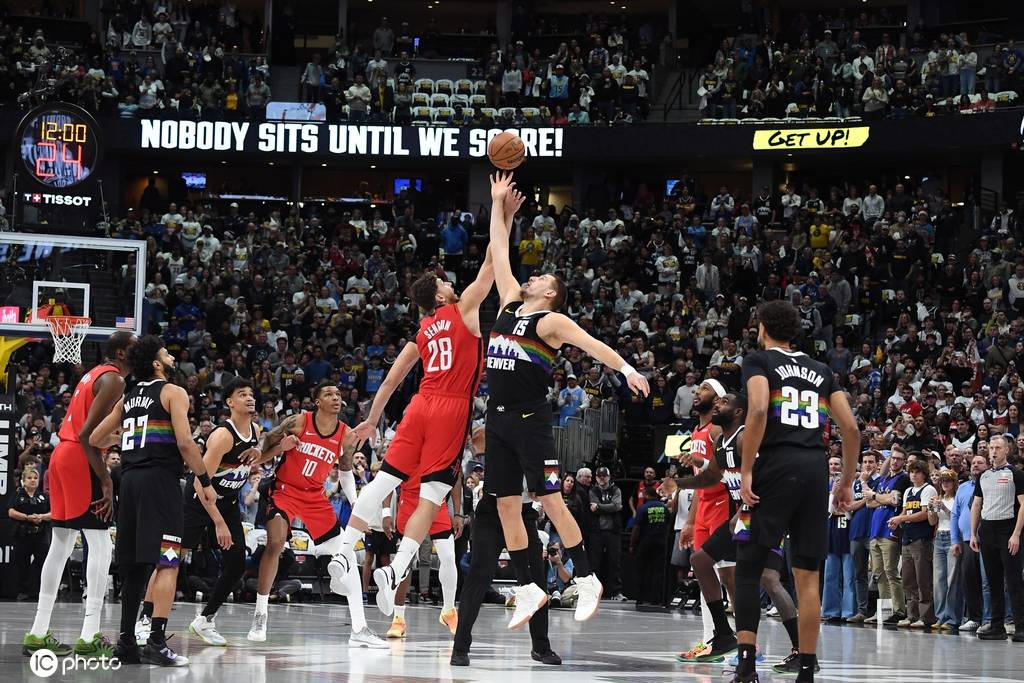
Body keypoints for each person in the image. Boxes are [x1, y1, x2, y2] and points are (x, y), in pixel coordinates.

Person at [333, 177, 524, 619]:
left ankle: (345, 550)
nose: (449, 282)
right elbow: (493, 263)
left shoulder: (421, 330)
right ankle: (398, 566)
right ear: (440, 295)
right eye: (443, 281)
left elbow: (389, 382)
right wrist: (503, 210)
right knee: (434, 493)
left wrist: (372, 420)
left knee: (384, 481)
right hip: (450, 407)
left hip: (418, 404)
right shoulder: (464, 308)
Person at [483, 172, 649, 629]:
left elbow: (595, 346)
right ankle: (528, 586)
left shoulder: (551, 322)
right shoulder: (509, 303)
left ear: (551, 294)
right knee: (505, 505)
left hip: (530, 420)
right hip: (497, 420)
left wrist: (629, 370)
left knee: (551, 500)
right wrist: (498, 203)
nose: (532, 276)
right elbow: (499, 247)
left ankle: (588, 578)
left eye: (542, 277)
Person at [733, 300, 860, 683]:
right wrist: (845, 481)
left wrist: (747, 470)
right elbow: (851, 429)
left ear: (762, 328)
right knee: (807, 576)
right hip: (814, 469)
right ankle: (806, 669)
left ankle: (746, 667)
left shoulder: (758, 361)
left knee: (748, 568)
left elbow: (758, 411)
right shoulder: (822, 370)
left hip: (775, 465)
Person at [244, 381, 385, 648]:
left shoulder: (346, 434)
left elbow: (345, 471)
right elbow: (269, 438)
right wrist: (274, 447)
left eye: (338, 394)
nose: (336, 397)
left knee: (345, 554)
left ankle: (359, 628)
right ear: (317, 401)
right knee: (275, 543)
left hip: (315, 497)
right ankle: (260, 616)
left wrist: (355, 503)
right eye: (329, 394)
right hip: (284, 490)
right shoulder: (299, 421)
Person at [104, 335, 217, 666]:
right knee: (168, 560)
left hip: (130, 483)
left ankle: (126, 643)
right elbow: (185, 443)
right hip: (160, 483)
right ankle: (155, 642)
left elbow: (96, 436)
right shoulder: (172, 392)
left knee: (133, 565)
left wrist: (128, 439)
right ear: (156, 363)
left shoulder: (128, 396)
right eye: (166, 353)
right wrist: (204, 480)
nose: (171, 357)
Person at [22, 331, 135, 660]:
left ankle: (37, 632)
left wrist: (114, 437)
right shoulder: (114, 379)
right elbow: (88, 435)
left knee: (61, 543)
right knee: (100, 543)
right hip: (80, 458)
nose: (139, 350)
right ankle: (89, 635)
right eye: (134, 347)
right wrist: (106, 479)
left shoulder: (94, 374)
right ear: (120, 353)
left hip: (62, 455)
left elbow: (88, 430)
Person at [675, 393, 802, 670]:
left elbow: (767, 478)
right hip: (743, 518)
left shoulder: (745, 438)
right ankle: (723, 635)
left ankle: (801, 651)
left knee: (769, 579)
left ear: (738, 412)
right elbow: (713, 476)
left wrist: (743, 508)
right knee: (700, 561)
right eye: (717, 401)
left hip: (765, 515)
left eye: (724, 402)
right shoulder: (721, 442)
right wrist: (679, 483)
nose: (717, 405)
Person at [181, 377, 264, 646]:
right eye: (242, 394)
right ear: (230, 402)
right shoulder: (222, 436)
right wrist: (218, 523)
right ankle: (146, 618)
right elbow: (199, 481)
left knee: (237, 564)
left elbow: (249, 461)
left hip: (227, 502)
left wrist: (269, 450)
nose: (249, 398)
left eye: (251, 393)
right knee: (171, 560)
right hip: (199, 501)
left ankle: (205, 620)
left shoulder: (255, 430)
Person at [452, 488, 561, 667]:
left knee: (536, 581)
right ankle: (460, 646)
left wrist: (542, 490)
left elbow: (551, 485)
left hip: (523, 513)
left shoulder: (547, 468)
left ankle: (541, 646)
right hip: (492, 512)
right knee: (478, 577)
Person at [386, 473, 463, 638]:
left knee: (449, 556)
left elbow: (456, 477)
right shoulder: (406, 455)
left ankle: (449, 610)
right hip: (409, 504)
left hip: (437, 503)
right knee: (405, 562)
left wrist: (458, 513)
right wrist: (386, 512)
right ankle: (398, 618)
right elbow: (388, 476)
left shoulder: (445, 455)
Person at [679, 379, 727, 646]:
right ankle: (710, 638)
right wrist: (689, 521)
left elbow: (724, 468)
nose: (698, 392)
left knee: (726, 575)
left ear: (718, 399)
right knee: (704, 575)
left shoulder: (716, 429)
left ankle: (742, 640)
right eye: (697, 389)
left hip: (722, 502)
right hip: (704, 506)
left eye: (705, 389)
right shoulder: (696, 431)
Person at [970, 433, 1024, 641]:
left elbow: (1023, 505)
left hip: (1008, 529)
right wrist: (973, 533)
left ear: (1007, 450)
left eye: (998, 448)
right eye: (991, 448)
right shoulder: (983, 476)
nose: (993, 451)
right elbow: (977, 504)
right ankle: (997, 625)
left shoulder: (1015, 473)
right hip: (987, 530)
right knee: (992, 581)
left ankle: (1020, 626)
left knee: (1013, 580)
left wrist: (1016, 534)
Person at [888, 460, 937, 627]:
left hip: (921, 539)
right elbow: (904, 511)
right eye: (911, 472)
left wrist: (902, 518)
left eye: (917, 472)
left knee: (923, 579)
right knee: (908, 580)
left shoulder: (928, 489)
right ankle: (912, 615)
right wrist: (896, 520)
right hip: (907, 538)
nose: (914, 475)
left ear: (924, 474)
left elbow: (924, 514)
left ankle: (926, 616)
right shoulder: (908, 491)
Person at [950, 454, 988, 631]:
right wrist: (955, 540)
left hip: (987, 539)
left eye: (980, 463)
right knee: (969, 579)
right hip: (967, 540)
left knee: (988, 581)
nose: (976, 465)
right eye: (973, 463)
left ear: (988, 466)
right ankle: (975, 618)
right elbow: (955, 514)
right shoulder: (963, 487)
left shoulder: (990, 485)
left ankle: (989, 619)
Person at [8, 466, 51, 601]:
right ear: (23, 480)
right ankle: (23, 591)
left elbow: (53, 513)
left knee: (43, 562)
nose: (33, 480)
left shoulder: (43, 496)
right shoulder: (17, 495)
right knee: (22, 563)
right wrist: (27, 517)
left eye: (35, 478)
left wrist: (42, 517)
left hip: (40, 534)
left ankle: (40, 591)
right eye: (29, 478)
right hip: (23, 534)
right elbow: (11, 512)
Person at [630, 485, 668, 606]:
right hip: (661, 541)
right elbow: (668, 525)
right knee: (658, 571)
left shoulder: (643, 508)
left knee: (641, 570)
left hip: (646, 541)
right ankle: (656, 599)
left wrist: (632, 544)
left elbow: (636, 528)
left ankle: (640, 598)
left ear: (646, 495)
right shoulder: (664, 507)